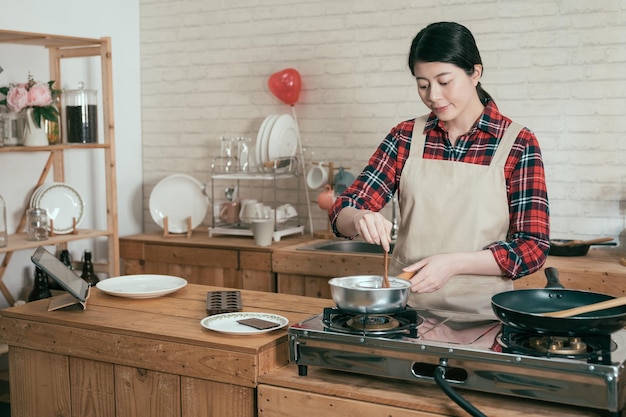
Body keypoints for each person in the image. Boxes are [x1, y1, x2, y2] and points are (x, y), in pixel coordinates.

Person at [329, 22, 550, 316]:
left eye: (444, 82)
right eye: (423, 84)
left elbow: (532, 248)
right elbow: (343, 209)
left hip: (482, 318)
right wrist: (359, 217)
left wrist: (454, 263)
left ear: (475, 73)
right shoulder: (405, 137)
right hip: (405, 313)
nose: (433, 96)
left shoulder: (518, 143)